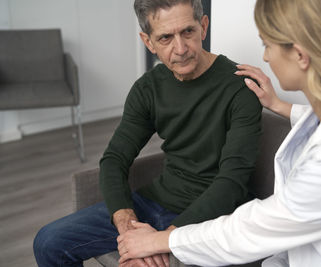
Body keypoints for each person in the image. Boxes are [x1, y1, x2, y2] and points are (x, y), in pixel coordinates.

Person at [116, 0, 321, 266]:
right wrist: (279, 105)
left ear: (300, 55)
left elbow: (250, 230)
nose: (264, 56)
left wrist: (157, 240)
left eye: (267, 45)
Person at [33, 0, 262, 266]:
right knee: (48, 241)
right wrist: (128, 227)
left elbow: (231, 183)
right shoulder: (148, 89)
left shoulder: (240, 87)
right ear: (148, 42)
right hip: (155, 202)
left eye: (187, 31)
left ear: (203, 26)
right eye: (165, 37)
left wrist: (162, 240)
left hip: (212, 217)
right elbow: (114, 159)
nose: (180, 48)